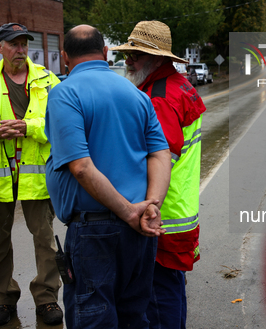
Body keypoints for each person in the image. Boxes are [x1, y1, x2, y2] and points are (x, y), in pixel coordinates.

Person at [44, 25, 172, 328]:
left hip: (95, 232)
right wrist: (151, 207)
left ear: (65, 57)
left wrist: (129, 212)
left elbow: (81, 167)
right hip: (140, 232)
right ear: (104, 53)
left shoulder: (65, 94)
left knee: (93, 318)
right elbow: (160, 153)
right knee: (133, 314)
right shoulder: (136, 94)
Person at [0, 23, 63, 326]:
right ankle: (4, 300)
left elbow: (64, 122)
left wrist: (30, 128)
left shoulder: (47, 80)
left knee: (45, 241)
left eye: (23, 44)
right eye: (13, 44)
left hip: (37, 178)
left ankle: (46, 300)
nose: (20, 50)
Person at [111, 20, 206, 329]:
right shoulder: (176, 86)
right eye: (127, 54)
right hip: (178, 211)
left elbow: (158, 159)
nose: (127, 61)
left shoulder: (160, 97)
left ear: (156, 58)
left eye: (134, 55)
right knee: (169, 292)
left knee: (157, 299)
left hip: (160, 214)